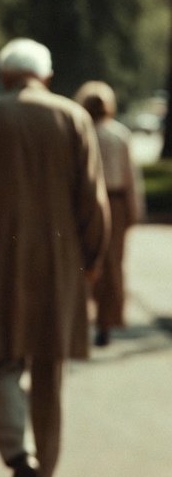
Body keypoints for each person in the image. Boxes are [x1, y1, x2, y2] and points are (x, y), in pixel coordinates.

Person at [0, 39, 110, 477]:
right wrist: (93, 260)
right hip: (60, 264)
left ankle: (21, 457)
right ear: (47, 77)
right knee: (48, 371)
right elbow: (92, 200)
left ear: (4, 77)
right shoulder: (72, 117)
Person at [75, 81, 145, 346]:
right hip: (114, 202)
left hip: (85, 203)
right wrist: (134, 211)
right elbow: (131, 177)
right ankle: (106, 321)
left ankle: (82, 319)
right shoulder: (119, 134)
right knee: (112, 264)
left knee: (83, 263)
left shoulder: (80, 132)